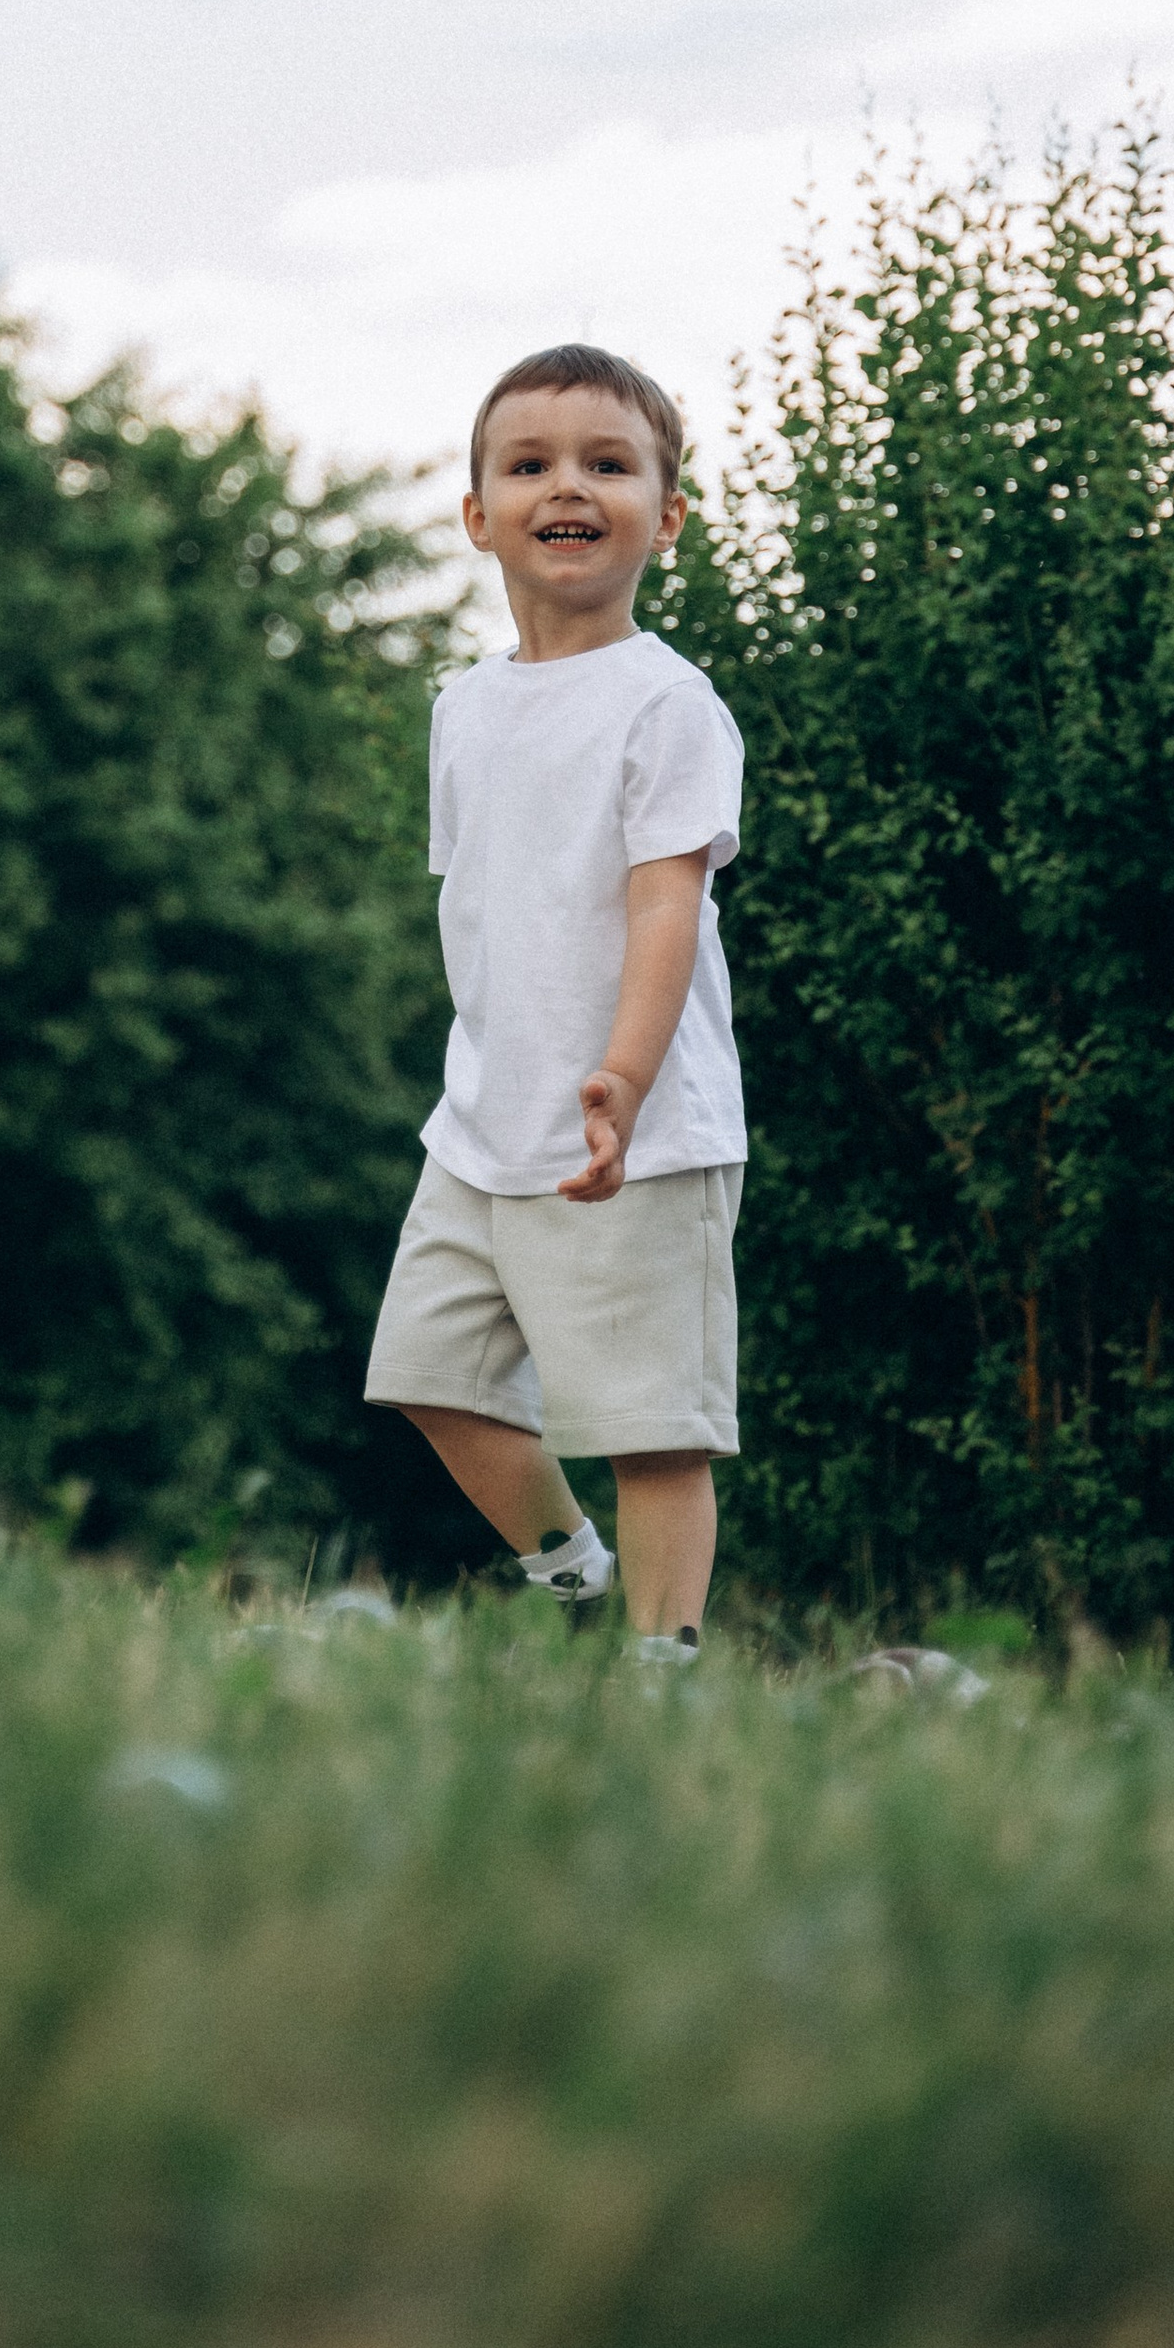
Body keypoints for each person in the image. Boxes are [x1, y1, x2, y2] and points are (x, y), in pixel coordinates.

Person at [363, 343, 746, 1661]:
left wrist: (624, 1079)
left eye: (607, 462)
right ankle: (579, 1597)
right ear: (478, 515)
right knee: (429, 1380)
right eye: (529, 464)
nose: (566, 484)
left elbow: (662, 907)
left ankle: (664, 1664)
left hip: (637, 1129)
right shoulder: (462, 709)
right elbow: (486, 904)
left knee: (654, 1424)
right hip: (481, 1125)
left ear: (666, 513)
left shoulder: (667, 702)